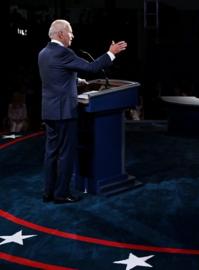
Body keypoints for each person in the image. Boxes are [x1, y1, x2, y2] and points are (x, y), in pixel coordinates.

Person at [38, 19, 127, 203]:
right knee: (65, 154)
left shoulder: (43, 53)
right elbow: (91, 67)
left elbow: (55, 76)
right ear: (61, 34)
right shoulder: (64, 52)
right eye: (70, 32)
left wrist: (76, 81)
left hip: (49, 111)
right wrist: (110, 53)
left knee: (51, 153)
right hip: (64, 113)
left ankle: (48, 192)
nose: (73, 36)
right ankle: (61, 194)